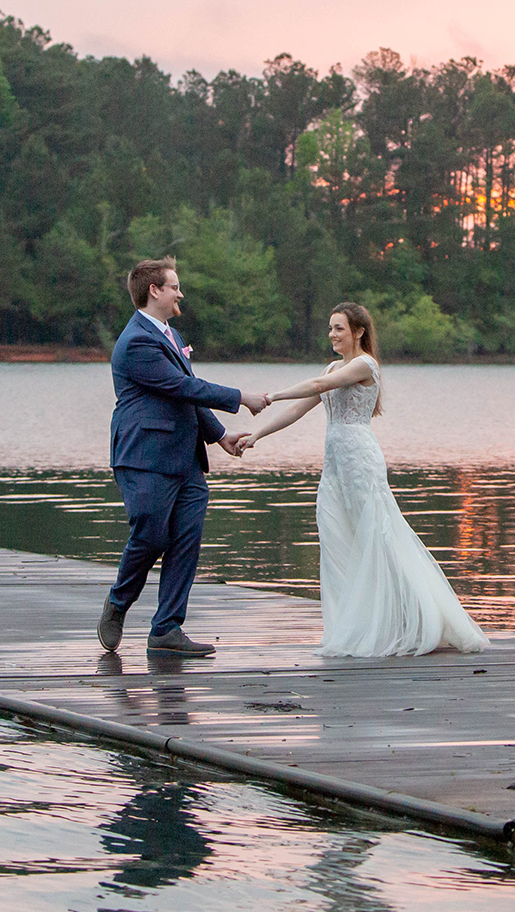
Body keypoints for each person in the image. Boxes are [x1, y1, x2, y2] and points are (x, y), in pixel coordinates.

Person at [239, 302, 489, 657]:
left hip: (360, 460)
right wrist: (257, 435)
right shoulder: (333, 366)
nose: (332, 335)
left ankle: (414, 618)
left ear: (358, 332)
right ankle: (354, 625)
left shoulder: (364, 365)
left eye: (339, 328)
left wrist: (271, 394)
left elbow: (318, 383)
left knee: (378, 539)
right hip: (335, 466)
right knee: (337, 537)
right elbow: (300, 408)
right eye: (329, 328)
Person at [99, 256, 268, 658]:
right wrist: (239, 397)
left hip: (186, 459)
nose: (180, 293)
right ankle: (119, 603)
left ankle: (166, 629)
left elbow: (187, 391)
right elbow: (179, 386)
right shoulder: (137, 340)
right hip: (145, 456)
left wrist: (220, 436)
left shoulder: (170, 334)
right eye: (174, 286)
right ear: (154, 290)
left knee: (186, 540)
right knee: (152, 536)